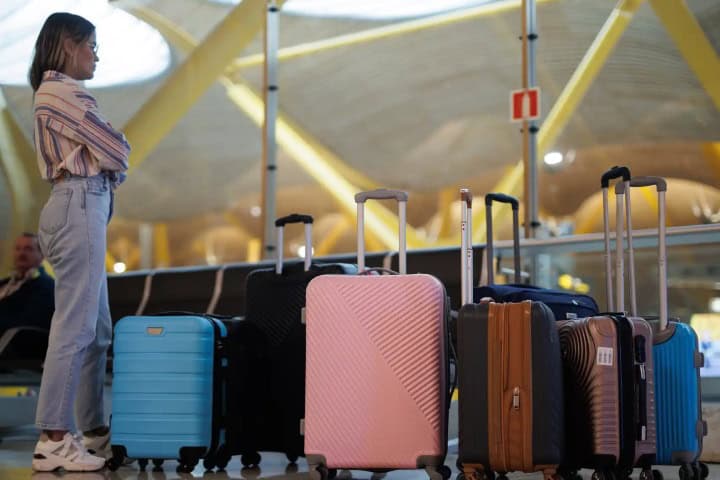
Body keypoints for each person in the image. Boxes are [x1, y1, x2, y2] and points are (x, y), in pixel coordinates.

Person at [29, 12, 130, 472]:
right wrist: (113, 151)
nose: (96, 54)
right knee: (76, 328)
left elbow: (112, 154)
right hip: (78, 204)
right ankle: (53, 438)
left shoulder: (59, 94)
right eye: (91, 44)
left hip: (81, 205)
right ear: (68, 44)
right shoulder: (60, 92)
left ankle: (92, 433)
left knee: (97, 331)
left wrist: (111, 154)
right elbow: (116, 150)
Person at [0, 233, 55, 333]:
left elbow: (28, 321)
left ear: (42, 255)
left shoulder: (46, 286)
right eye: (18, 249)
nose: (22, 253)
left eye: (28, 249)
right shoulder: (5, 283)